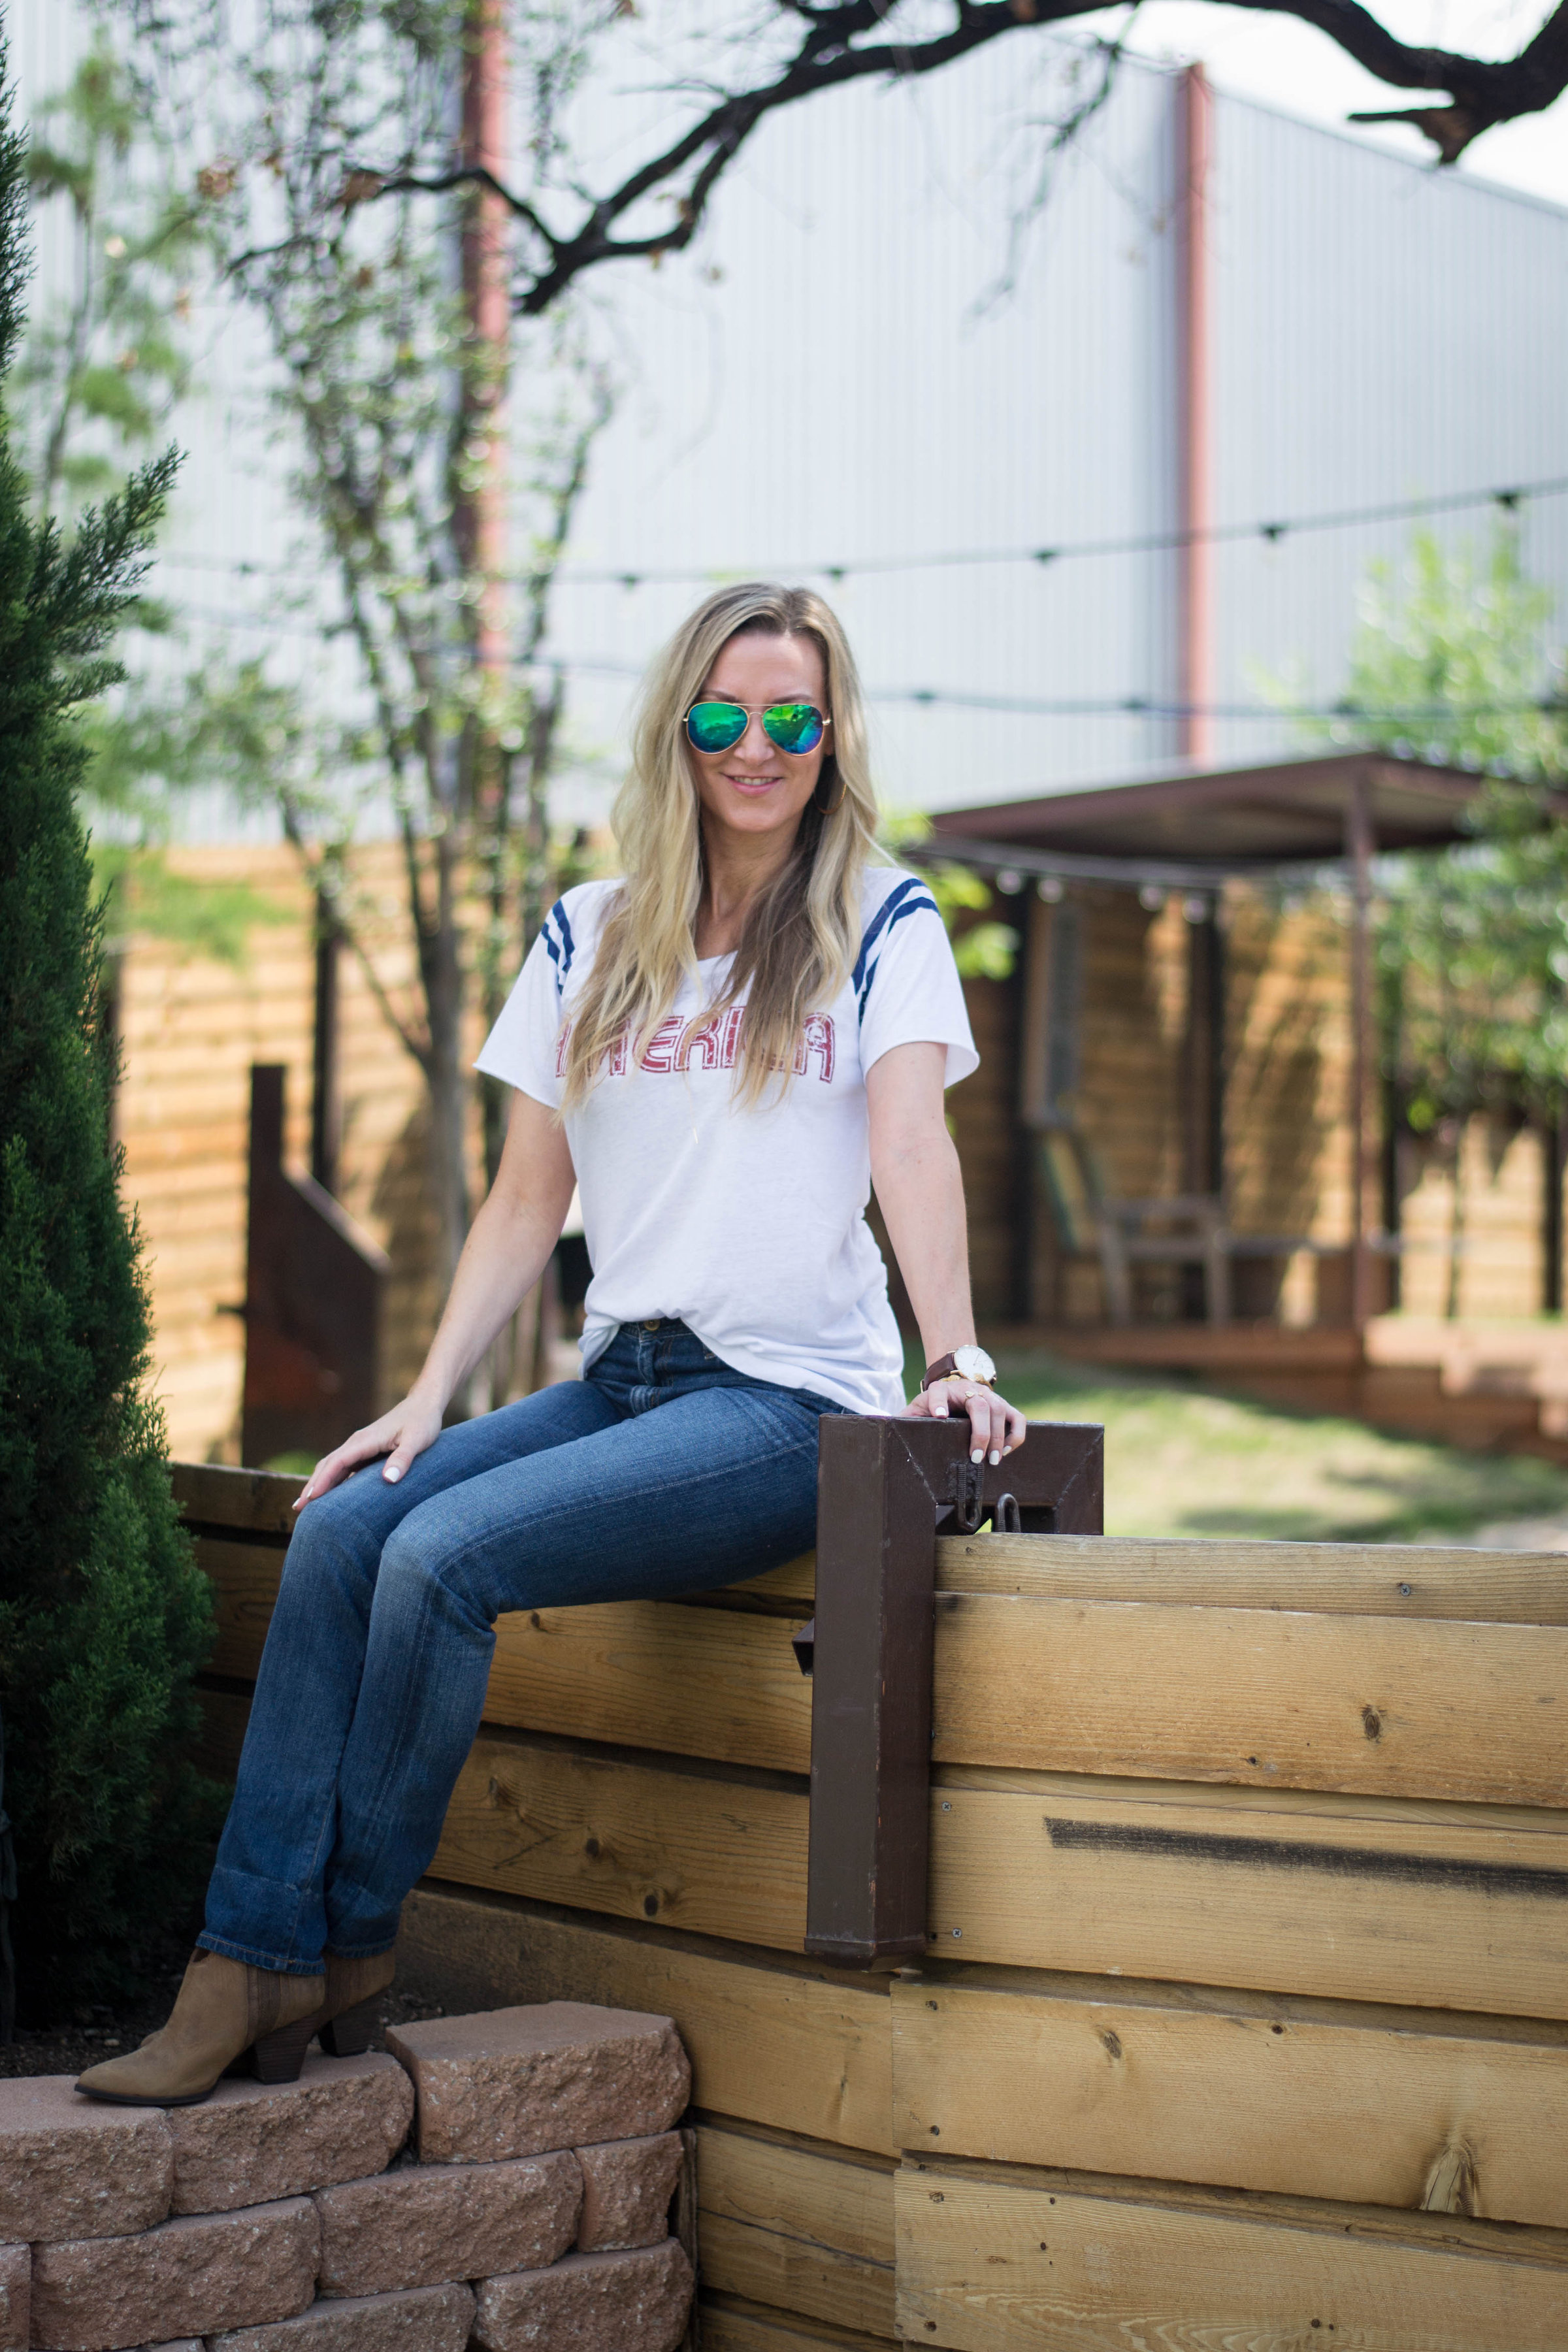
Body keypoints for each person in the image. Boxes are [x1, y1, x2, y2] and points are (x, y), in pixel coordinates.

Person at [78, 581, 1026, 2107]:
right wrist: (424, 1400)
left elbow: (914, 1148)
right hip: (622, 1379)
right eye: (725, 715)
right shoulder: (592, 930)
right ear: (680, 727)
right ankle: (250, 1952)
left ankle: (346, 1943)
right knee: (346, 1528)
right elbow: (531, 1197)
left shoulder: (881, 918)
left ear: (833, 731)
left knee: (443, 1562)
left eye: (793, 717)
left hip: (790, 1405)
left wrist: (957, 1356)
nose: (759, 747)